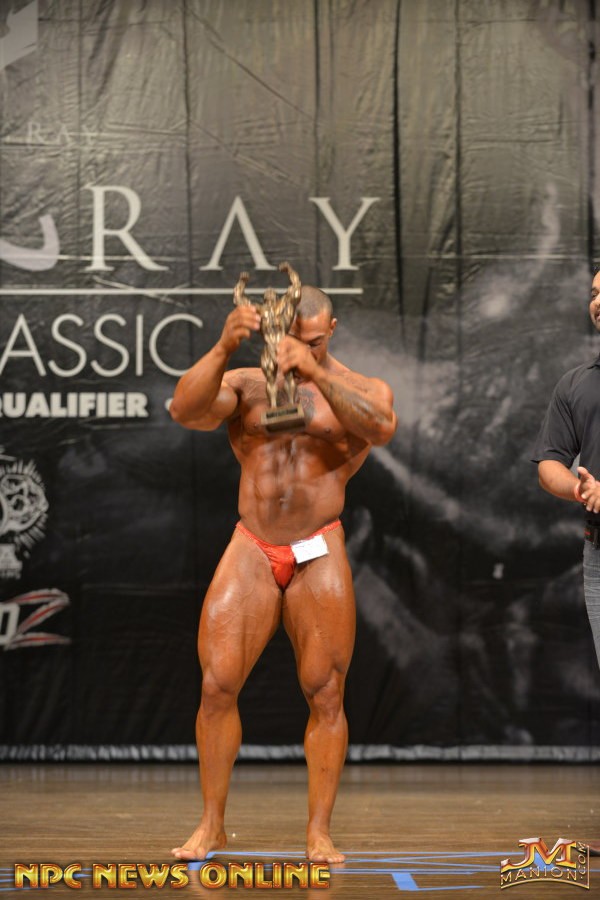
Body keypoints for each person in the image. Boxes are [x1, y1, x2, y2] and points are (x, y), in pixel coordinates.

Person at [169, 284, 397, 864]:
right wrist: (223, 347)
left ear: (331, 331)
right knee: (216, 685)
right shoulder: (247, 385)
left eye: (313, 341)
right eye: (292, 340)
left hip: (317, 544)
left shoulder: (361, 387)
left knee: (326, 692)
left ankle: (319, 832)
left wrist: (315, 373)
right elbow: (184, 410)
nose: (300, 349)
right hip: (253, 543)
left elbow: (382, 427)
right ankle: (212, 825)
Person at [532, 268, 600, 671]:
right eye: (593, 293)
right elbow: (550, 464)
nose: (598, 302)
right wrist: (580, 490)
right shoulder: (574, 385)